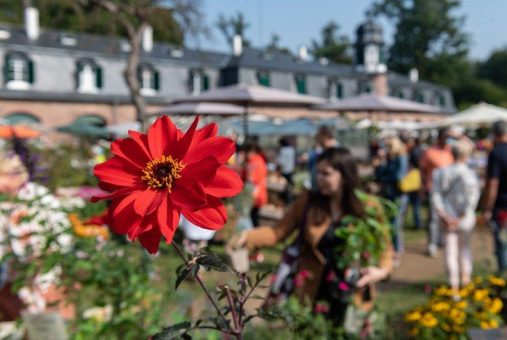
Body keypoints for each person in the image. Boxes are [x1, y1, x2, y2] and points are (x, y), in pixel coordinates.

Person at [229, 147, 392, 327]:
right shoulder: (308, 202)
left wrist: (382, 271)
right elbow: (277, 232)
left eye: (326, 173)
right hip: (312, 288)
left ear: (345, 175)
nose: (319, 178)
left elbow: (384, 246)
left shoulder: (367, 206)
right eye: (318, 173)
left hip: (351, 290)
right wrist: (247, 237)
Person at [432, 142, 480, 297]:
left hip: (448, 216)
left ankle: (453, 286)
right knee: (464, 249)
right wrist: (461, 216)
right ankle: (465, 281)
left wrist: (444, 215)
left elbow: (436, 195)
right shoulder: (469, 174)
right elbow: (472, 198)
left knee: (450, 252)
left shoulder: (440, 172)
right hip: (463, 219)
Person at [420, 128, 454, 257]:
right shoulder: (430, 152)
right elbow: (423, 170)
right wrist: (423, 186)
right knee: (433, 218)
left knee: (445, 216)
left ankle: (441, 240)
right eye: (445, 137)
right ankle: (432, 243)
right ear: (439, 138)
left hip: (449, 190)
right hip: (433, 189)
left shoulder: (450, 151)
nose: (447, 140)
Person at [375, 137, 409, 261]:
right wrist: (381, 161)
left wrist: (384, 177)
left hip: (398, 195)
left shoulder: (401, 158)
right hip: (389, 194)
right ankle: (395, 247)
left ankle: (397, 250)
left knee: (395, 223)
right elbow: (378, 174)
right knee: (390, 222)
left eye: (388, 146)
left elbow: (398, 176)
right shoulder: (389, 159)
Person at [483, 120, 507, 272]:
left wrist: (487, 208)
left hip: (502, 205)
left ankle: (504, 282)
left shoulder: (496, 152)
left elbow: (493, 184)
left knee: (502, 243)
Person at [308, 125, 338, 189]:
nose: (316, 138)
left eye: (318, 136)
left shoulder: (338, 153)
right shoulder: (321, 151)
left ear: (324, 136)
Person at [277, 137, 296, 203]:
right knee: (290, 186)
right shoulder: (291, 149)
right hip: (291, 170)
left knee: (283, 187)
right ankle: (290, 200)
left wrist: (279, 170)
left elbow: (280, 162)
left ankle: (285, 200)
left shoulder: (283, 150)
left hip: (284, 171)